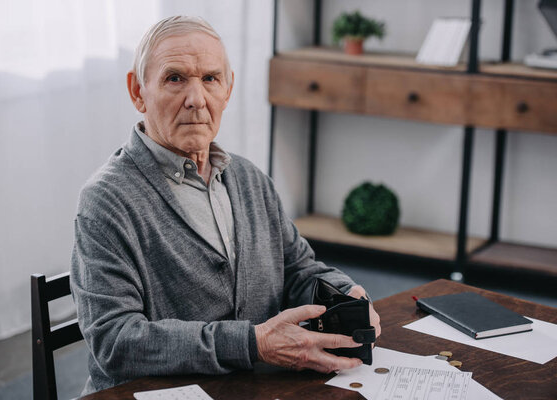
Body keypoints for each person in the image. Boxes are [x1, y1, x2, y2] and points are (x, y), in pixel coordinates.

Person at [70, 15, 381, 394]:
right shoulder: (106, 200)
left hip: (250, 387)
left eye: (210, 79)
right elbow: (115, 342)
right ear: (138, 92)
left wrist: (343, 291)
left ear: (227, 90)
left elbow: (298, 269)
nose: (196, 100)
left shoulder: (249, 179)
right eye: (175, 78)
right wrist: (254, 343)